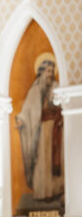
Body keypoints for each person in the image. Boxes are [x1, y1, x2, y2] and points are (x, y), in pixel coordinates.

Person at [15, 55, 64, 207]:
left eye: (52, 71)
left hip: (55, 130)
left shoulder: (57, 87)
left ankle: (56, 192)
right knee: (41, 161)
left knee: (54, 161)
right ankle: (42, 193)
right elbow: (27, 109)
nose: (50, 74)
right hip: (40, 131)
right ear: (42, 72)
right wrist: (21, 119)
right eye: (48, 71)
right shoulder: (35, 90)